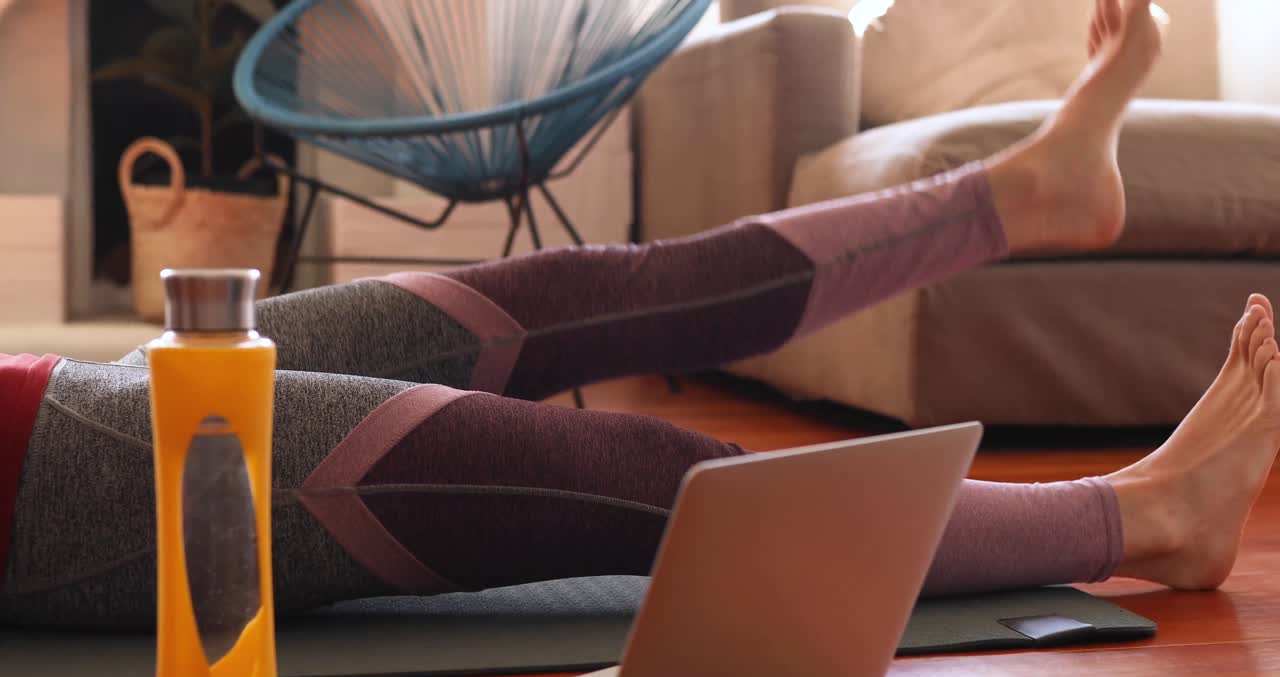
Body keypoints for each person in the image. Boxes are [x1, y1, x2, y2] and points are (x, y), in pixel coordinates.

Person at [2, 0, 1274, 629]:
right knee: (638, 474)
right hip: (48, 488)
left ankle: (1017, 194)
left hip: (67, 388)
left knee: (568, 289)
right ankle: (1145, 520)